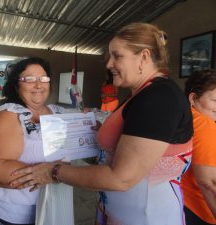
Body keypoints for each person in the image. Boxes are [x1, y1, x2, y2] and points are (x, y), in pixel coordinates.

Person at [10, 22, 194, 225]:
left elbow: (121, 178)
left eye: (117, 56)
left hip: (146, 216)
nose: (108, 65)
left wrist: (53, 172)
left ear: (144, 56)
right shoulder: (142, 94)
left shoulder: (159, 98)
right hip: (122, 211)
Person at [0, 57, 65, 225]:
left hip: (49, 210)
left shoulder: (56, 112)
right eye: (30, 79)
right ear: (16, 85)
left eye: (43, 78)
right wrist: (54, 173)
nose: (38, 85)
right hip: (10, 216)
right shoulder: (9, 114)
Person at [181, 69, 216, 225]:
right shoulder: (204, 123)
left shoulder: (183, 117)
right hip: (200, 209)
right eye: (215, 100)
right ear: (193, 98)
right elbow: (208, 183)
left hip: (182, 201)